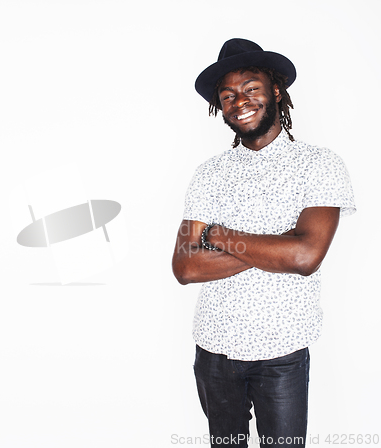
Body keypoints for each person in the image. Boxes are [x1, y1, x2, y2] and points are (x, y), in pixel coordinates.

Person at [172, 38, 356, 448]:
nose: (240, 101)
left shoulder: (319, 164)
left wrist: (216, 236)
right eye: (228, 95)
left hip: (282, 353)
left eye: (251, 88)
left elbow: (306, 256)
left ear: (275, 90)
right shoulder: (209, 174)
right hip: (214, 350)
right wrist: (279, 246)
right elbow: (185, 267)